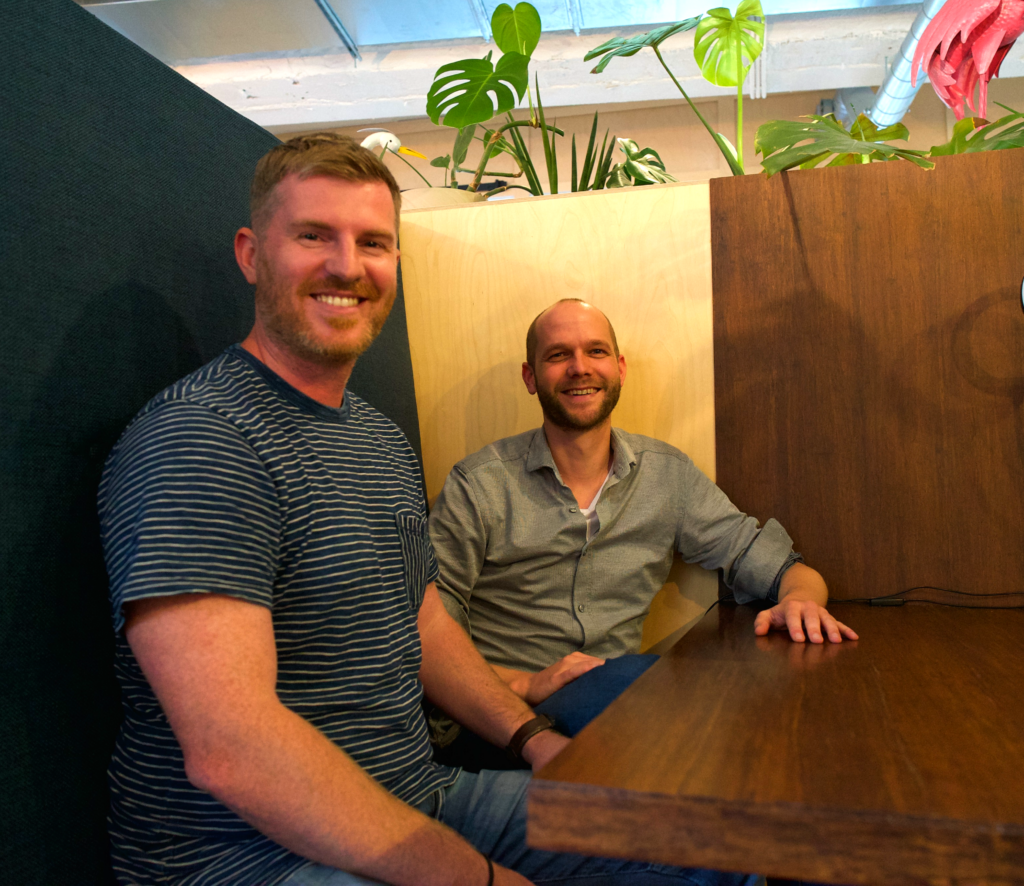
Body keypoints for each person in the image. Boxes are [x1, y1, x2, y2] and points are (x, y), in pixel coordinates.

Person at [99, 134, 763, 886]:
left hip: (418, 796)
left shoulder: (376, 439)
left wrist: (537, 742)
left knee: (714, 847)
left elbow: (424, 623)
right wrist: (473, 879)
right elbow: (233, 751)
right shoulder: (202, 438)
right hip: (243, 856)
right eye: (314, 235)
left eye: (373, 242)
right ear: (253, 255)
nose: (347, 266)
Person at [429, 298, 858, 770]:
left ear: (619, 368)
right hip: (494, 723)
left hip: (612, 711)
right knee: (662, 694)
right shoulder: (479, 484)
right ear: (531, 378)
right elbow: (424, 636)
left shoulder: (666, 476)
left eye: (595, 351)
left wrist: (802, 601)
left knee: (724, 702)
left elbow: (781, 568)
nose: (579, 368)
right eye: (557, 355)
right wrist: (527, 684)